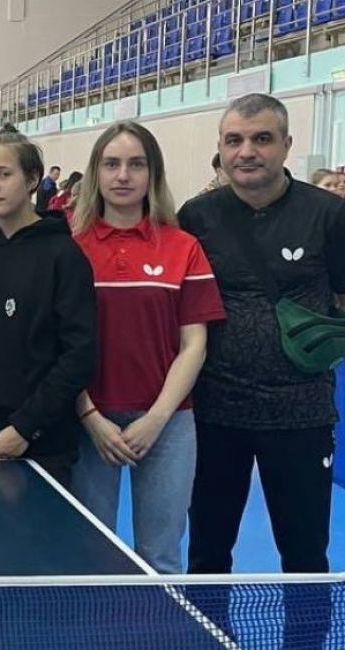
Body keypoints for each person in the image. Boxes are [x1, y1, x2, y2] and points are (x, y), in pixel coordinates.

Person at [178, 94, 345, 576]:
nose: (247, 151)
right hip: (215, 413)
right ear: (220, 148)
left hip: (301, 414)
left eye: (262, 139)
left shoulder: (329, 214)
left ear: (287, 145)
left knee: (305, 555)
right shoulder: (197, 216)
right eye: (234, 140)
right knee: (207, 554)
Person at [69, 121, 225, 574]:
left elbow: (194, 344)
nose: (123, 175)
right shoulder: (70, 249)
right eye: (111, 164)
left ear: (152, 173)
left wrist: (156, 419)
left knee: (161, 558)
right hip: (88, 421)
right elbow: (59, 347)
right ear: (96, 173)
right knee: (88, 557)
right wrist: (90, 416)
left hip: (168, 423)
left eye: (136, 164)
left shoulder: (183, 247)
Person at [0, 126, 96, 486]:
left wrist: (26, 426)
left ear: (31, 179)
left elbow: (78, 353)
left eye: (4, 174)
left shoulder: (64, 256)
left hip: (42, 445)